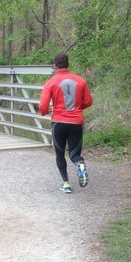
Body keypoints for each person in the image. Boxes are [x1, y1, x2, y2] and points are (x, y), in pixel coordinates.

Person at [39, 52, 93, 194]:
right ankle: (80, 164)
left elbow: (43, 106)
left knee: (60, 154)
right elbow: (88, 101)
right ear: (68, 65)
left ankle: (66, 184)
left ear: (54, 66)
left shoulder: (51, 82)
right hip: (76, 122)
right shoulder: (80, 81)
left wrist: (44, 112)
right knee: (74, 154)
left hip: (59, 123)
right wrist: (76, 108)